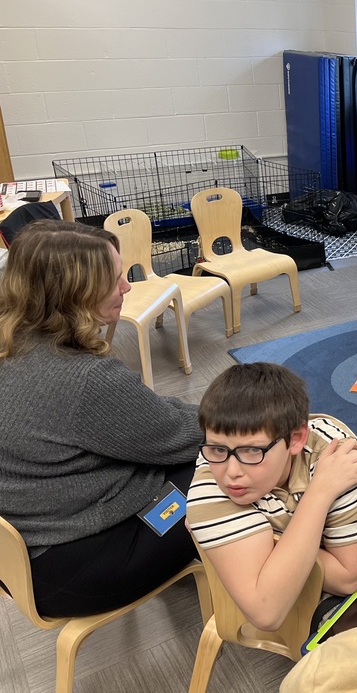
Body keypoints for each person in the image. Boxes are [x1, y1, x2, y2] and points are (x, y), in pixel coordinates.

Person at [0, 219, 204, 616]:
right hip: (78, 572)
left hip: (21, 556)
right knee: (228, 464)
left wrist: (151, 412)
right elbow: (183, 433)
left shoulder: (11, 341)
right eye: (115, 280)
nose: (127, 287)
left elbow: (136, 421)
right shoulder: (84, 379)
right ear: (76, 294)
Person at [186, 362, 357, 631]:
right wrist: (321, 491)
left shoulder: (336, 453)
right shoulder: (209, 486)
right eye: (217, 449)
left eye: (253, 451)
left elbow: (348, 575)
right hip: (321, 567)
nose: (231, 473)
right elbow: (266, 612)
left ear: (296, 439)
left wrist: (271, 552)